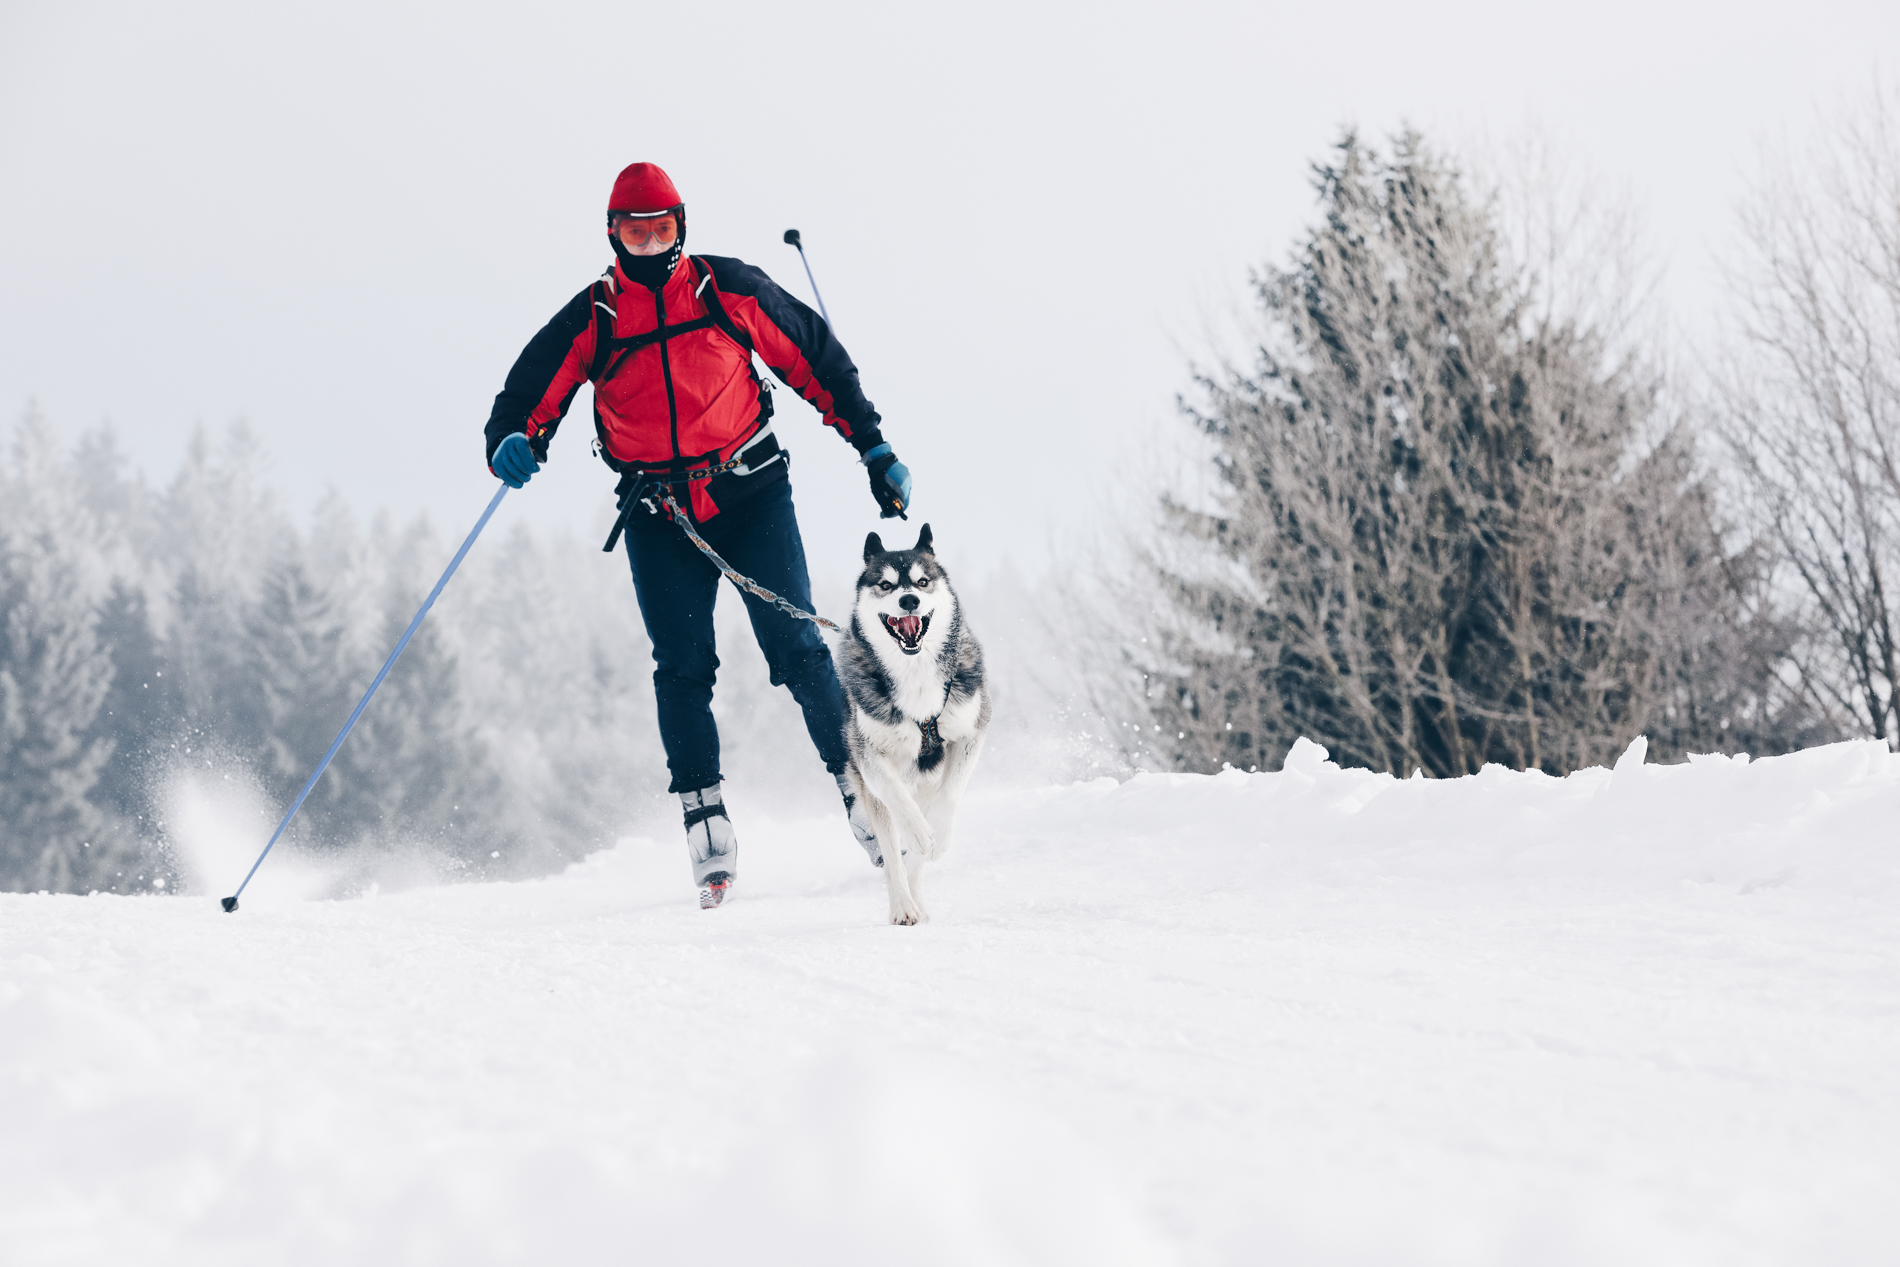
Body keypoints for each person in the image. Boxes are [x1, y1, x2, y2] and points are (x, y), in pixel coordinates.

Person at [484, 161, 909, 909]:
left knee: (797, 647)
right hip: (659, 513)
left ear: (683, 228)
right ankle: (705, 819)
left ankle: (861, 787)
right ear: (612, 236)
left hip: (751, 490)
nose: (649, 246)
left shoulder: (727, 290)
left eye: (662, 230)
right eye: (633, 232)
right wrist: (513, 440)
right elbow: (527, 392)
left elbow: (814, 356)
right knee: (683, 666)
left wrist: (871, 446)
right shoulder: (596, 316)